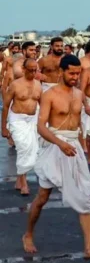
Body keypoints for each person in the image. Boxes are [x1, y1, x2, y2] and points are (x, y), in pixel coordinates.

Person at [23, 54, 90, 260]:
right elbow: (41, 127)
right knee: (43, 197)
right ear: (61, 72)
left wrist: (81, 148)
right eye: (71, 73)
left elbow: (78, 125)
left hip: (73, 148)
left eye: (78, 73)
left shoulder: (79, 94)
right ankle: (28, 234)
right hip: (55, 146)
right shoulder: (49, 95)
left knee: (86, 195)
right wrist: (60, 144)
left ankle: (89, 248)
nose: (75, 77)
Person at [1, 58, 41, 195]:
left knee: (32, 150)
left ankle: (19, 179)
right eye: (30, 70)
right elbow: (6, 106)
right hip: (17, 120)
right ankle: (24, 183)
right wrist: (3, 127)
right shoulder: (15, 85)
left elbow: (43, 105)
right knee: (23, 148)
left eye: (35, 70)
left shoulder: (38, 85)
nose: (33, 73)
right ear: (24, 69)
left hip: (32, 120)